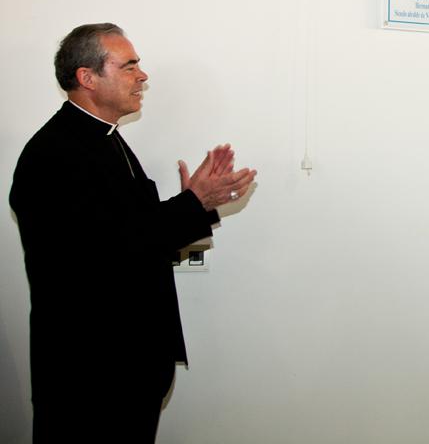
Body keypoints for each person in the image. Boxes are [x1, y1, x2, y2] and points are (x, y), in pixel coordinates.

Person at [9, 23, 257, 443]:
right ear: (87, 78)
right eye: (129, 66)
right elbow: (106, 252)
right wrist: (193, 204)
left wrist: (194, 202)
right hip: (90, 377)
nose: (142, 75)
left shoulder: (105, 140)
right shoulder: (53, 155)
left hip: (124, 369)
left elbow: (127, 231)